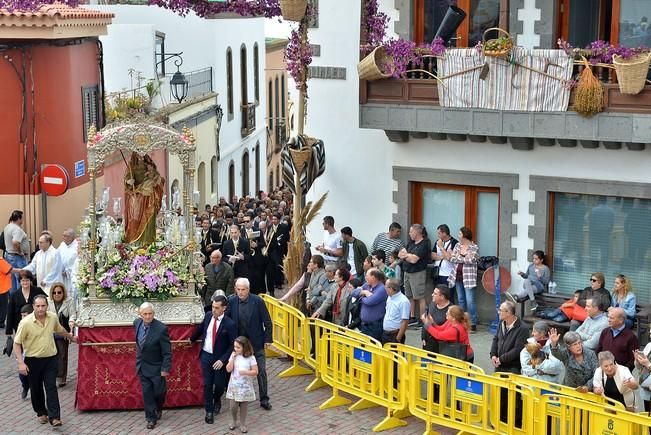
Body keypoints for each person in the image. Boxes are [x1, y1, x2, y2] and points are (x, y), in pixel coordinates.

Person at [13, 294, 77, 427]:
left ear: (47, 306)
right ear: (33, 307)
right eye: (38, 306)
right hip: (32, 360)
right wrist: (21, 362)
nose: (41, 309)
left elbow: (60, 330)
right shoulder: (25, 323)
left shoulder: (52, 317)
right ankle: (41, 412)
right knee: (36, 389)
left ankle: (54, 417)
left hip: (50, 359)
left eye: (43, 306)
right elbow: (17, 343)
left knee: (51, 387)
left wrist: (71, 337)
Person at [226, 278, 273, 410]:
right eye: (238, 289)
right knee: (237, 371)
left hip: (256, 343)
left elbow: (267, 322)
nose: (240, 292)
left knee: (261, 371)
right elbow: (227, 321)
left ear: (248, 289)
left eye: (243, 290)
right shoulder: (232, 301)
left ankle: (264, 399)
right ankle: (238, 397)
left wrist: (267, 339)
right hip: (239, 344)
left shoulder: (257, 301)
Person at [191, 294, 237, 424]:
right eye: (213, 307)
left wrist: (223, 360)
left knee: (219, 385)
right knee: (207, 384)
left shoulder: (230, 324)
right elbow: (200, 329)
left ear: (224, 308)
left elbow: (232, 345)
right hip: (206, 355)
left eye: (217, 308)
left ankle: (217, 399)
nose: (214, 310)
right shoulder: (207, 317)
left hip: (219, 360)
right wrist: (190, 339)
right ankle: (209, 411)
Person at [490, 301, 529, 427]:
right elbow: (496, 339)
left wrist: (501, 359)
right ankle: (499, 421)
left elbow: (518, 349)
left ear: (508, 313)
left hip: (513, 367)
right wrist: (493, 355)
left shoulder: (522, 328)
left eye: (501, 310)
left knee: (513, 396)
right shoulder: (501, 323)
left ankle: (515, 423)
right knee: (500, 394)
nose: (498, 312)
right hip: (499, 365)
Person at [134, 302, 171, 430]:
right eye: (145, 314)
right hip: (143, 367)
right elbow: (140, 345)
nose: (148, 316)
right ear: (140, 314)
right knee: (147, 393)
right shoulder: (137, 323)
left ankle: (159, 407)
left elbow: (167, 351)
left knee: (159, 392)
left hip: (157, 367)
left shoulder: (161, 329)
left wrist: (165, 369)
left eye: (150, 314)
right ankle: (151, 418)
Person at [124, 153, 165, 246]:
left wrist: (154, 179)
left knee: (149, 217)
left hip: (149, 197)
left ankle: (148, 241)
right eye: (139, 154)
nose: (141, 156)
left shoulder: (150, 164)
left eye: (142, 154)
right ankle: (135, 241)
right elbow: (126, 179)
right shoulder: (131, 166)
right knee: (135, 217)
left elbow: (157, 176)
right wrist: (129, 181)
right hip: (137, 196)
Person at [398, 224, 431, 328]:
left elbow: (414, 260)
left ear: (417, 232)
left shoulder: (424, 243)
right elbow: (400, 254)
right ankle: (412, 317)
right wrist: (408, 256)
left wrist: (406, 256)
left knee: (420, 296)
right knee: (409, 296)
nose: (409, 233)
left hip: (418, 272)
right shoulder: (411, 243)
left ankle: (422, 318)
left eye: (411, 231)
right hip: (407, 271)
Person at [448, 227, 479, 332]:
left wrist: (458, 257)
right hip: (457, 276)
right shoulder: (457, 245)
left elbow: (471, 260)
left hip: (469, 278)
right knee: (461, 299)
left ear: (465, 235)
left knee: (470, 300)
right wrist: (463, 258)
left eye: (460, 233)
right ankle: (461, 321)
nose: (458, 235)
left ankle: (473, 322)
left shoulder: (474, 247)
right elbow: (452, 258)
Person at [226, 336, 259, 433]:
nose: (236, 349)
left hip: (245, 386)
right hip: (234, 385)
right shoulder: (233, 355)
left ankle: (243, 423)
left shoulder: (251, 358)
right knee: (233, 406)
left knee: (244, 405)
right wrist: (232, 358)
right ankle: (233, 420)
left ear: (245, 347)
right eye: (235, 347)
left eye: (238, 347)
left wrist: (246, 372)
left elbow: (255, 371)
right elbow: (228, 369)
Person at [47, 282, 76, 387]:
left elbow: (73, 314)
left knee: (62, 355)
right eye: (54, 292)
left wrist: (72, 322)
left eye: (59, 292)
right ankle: (51, 376)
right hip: (50, 331)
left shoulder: (69, 301)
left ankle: (61, 377)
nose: (57, 294)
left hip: (63, 330)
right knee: (51, 355)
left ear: (63, 292)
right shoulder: (48, 302)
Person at [6, 270, 47, 337]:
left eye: (27, 280)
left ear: (30, 280)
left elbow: (47, 302)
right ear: (20, 281)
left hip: (36, 323)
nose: (25, 282)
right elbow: (10, 312)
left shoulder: (37, 290)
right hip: (19, 325)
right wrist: (9, 331)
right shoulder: (14, 295)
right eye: (23, 280)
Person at [351, 268, 388, 341]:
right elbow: (353, 292)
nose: (365, 277)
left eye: (367, 275)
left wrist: (361, 298)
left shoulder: (382, 289)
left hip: (375, 326)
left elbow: (370, 301)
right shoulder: (366, 286)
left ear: (373, 277)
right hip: (364, 324)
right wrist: (364, 292)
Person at [3, 210, 30, 294]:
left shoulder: (8, 227)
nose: (23, 220)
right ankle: (22, 298)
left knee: (12, 281)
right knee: (22, 279)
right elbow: (15, 242)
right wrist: (20, 252)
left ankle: (13, 300)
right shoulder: (17, 229)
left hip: (9, 255)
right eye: (22, 218)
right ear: (18, 218)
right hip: (17, 257)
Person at [430, 224, 458, 304]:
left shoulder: (454, 243)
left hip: (448, 274)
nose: (437, 235)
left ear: (444, 233)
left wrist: (442, 248)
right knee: (437, 296)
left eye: (439, 233)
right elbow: (432, 255)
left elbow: (450, 258)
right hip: (437, 273)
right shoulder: (437, 241)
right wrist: (444, 256)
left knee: (448, 296)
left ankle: (450, 314)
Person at [422, 285, 452, 353]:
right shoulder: (432, 304)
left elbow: (445, 332)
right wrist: (423, 337)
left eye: (435, 294)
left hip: (441, 348)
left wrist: (428, 324)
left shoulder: (451, 311)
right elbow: (426, 321)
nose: (432, 295)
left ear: (442, 297)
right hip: (428, 344)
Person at [381, 279, 410, 345]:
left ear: (391, 289)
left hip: (395, 335)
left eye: (386, 286)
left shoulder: (403, 301)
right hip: (385, 334)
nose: (384, 288)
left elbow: (405, 321)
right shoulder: (389, 297)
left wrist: (398, 338)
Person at [56, 228, 78, 301]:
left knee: (72, 296)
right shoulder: (62, 245)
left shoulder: (77, 246)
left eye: (66, 236)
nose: (63, 238)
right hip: (62, 275)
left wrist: (68, 271)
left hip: (72, 276)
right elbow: (57, 258)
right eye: (63, 235)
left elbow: (77, 261)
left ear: (72, 237)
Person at [17, 304, 33, 400]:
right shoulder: (21, 324)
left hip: (36, 353)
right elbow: (18, 341)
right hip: (25, 353)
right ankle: (25, 386)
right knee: (22, 373)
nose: (23, 318)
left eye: (25, 315)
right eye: (22, 315)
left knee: (34, 375)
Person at [633, 328, 651, 414]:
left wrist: (648, 364)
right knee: (647, 413)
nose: (650, 335)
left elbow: (647, 364)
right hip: (646, 388)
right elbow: (639, 368)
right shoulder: (649, 346)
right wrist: (637, 360)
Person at [0, 257, 13, 328]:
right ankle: (1, 322)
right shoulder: (1, 261)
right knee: (3, 306)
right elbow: (9, 270)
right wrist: (22, 270)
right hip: (2, 288)